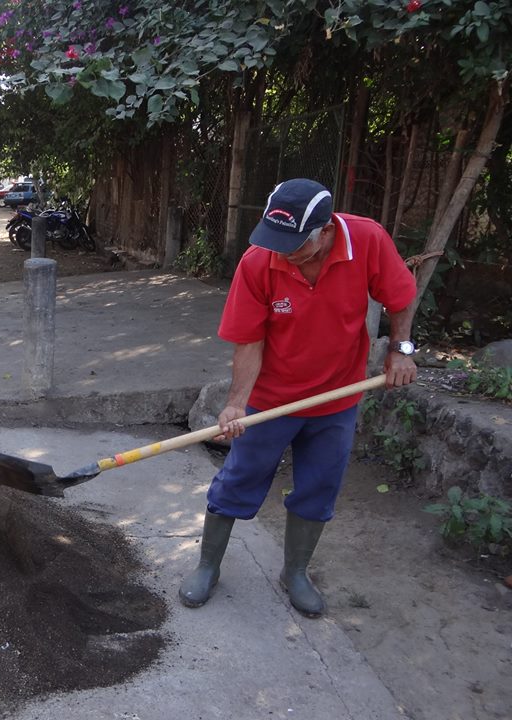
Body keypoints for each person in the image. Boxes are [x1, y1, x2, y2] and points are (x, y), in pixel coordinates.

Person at [179, 178, 418, 618]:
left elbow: (400, 296)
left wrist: (401, 349)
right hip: (271, 399)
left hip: (337, 397)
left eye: (293, 244)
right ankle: (208, 566)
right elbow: (249, 341)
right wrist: (236, 403)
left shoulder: (366, 240)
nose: (281, 252)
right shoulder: (258, 263)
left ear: (325, 230)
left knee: (319, 486)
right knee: (238, 479)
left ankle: (295, 574)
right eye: (275, 241)